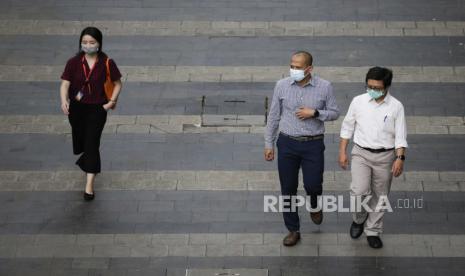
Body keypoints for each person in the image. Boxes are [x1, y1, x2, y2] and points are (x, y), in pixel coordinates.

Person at [264, 51, 340, 246]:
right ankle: (293, 230)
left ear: (309, 69)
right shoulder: (281, 86)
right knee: (288, 189)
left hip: (313, 143)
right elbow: (273, 115)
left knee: (313, 185)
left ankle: (314, 204)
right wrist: (268, 143)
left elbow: (334, 113)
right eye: (292, 66)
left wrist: (315, 113)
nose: (294, 70)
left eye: (298, 67)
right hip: (287, 143)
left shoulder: (324, 87)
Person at [339, 66, 407, 249]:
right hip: (361, 153)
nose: (372, 91)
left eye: (377, 88)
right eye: (369, 86)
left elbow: (400, 136)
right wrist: (342, 152)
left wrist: (400, 158)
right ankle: (359, 219)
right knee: (359, 191)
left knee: (380, 195)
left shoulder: (396, 107)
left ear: (387, 87)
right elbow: (347, 127)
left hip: (385, 157)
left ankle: (373, 230)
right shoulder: (358, 101)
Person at [60, 27, 122, 201]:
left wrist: (110, 103)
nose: (88, 45)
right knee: (81, 141)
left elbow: (117, 84)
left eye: (92, 42)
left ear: (99, 43)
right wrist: (64, 100)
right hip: (77, 109)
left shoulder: (107, 62)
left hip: (97, 109)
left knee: (92, 144)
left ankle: (89, 186)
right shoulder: (73, 62)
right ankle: (86, 162)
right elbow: (65, 84)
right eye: (85, 42)